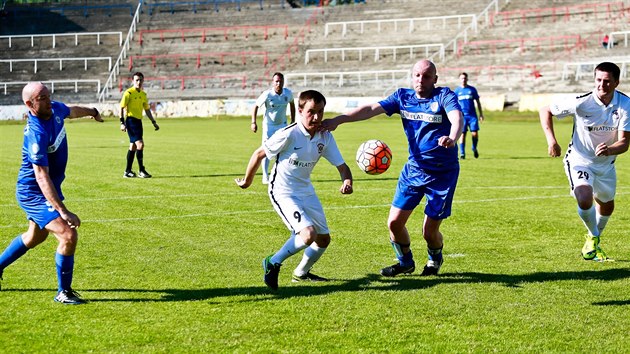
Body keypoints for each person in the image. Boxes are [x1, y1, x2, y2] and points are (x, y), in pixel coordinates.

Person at [322, 59, 463, 277]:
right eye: (417, 75)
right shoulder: (402, 97)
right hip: (414, 170)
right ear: (412, 76)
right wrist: (339, 120)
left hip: (442, 174)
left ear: (435, 79)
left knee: (429, 231)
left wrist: (452, 138)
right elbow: (370, 109)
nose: (421, 80)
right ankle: (405, 262)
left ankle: (434, 259)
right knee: (394, 223)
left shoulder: (444, 96)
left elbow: (457, 118)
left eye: (426, 76)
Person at [236, 90, 353, 290]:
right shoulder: (289, 133)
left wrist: (347, 180)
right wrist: (247, 181)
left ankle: (301, 273)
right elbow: (258, 154)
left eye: (321, 112)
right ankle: (273, 262)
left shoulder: (324, 136)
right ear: (300, 111)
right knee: (308, 234)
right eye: (311, 112)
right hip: (282, 190)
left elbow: (342, 166)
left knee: (323, 239)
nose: (316, 117)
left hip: (306, 190)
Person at [0, 82, 103, 304]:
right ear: (30, 104)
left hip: (48, 188)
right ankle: (63, 292)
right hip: (33, 192)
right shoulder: (35, 133)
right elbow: (40, 176)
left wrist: (92, 112)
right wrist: (62, 210)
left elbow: (71, 110)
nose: (49, 100)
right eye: (43, 98)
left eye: (48, 95)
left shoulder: (54, 108)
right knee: (67, 234)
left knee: (34, 237)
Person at [539, 62, 630, 262]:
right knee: (584, 196)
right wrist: (552, 141)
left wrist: (610, 150)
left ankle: (592, 238)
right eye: (598, 80)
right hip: (579, 160)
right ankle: (594, 237)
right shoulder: (581, 101)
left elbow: (624, 143)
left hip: (606, 165)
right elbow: (545, 110)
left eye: (607, 81)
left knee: (607, 206)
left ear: (616, 82)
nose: (601, 85)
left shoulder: (625, 104)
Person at [251, 72, 296, 184]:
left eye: (280, 81)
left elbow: (292, 104)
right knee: (266, 150)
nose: (278, 83)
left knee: (284, 149)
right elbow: (256, 106)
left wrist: (293, 121)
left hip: (282, 126)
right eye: (276, 81)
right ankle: (265, 176)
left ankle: (280, 174)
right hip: (269, 127)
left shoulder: (288, 93)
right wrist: (253, 122)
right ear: (273, 82)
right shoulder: (267, 95)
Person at [120, 71, 159, 178]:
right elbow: (122, 107)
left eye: (141, 80)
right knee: (140, 145)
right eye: (137, 80)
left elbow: (147, 110)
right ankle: (141, 170)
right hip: (131, 121)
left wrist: (153, 122)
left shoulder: (143, 94)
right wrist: (122, 123)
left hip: (138, 121)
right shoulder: (128, 93)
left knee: (133, 146)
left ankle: (127, 171)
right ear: (133, 81)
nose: (139, 82)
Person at [454, 72, 484, 159]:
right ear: (459, 79)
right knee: (462, 134)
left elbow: (478, 102)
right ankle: (462, 153)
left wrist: (481, 114)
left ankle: (474, 147)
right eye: (462, 78)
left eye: (465, 78)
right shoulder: (457, 91)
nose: (463, 80)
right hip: (462, 116)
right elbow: (454, 104)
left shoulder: (472, 90)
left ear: (467, 79)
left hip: (472, 116)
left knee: (474, 134)